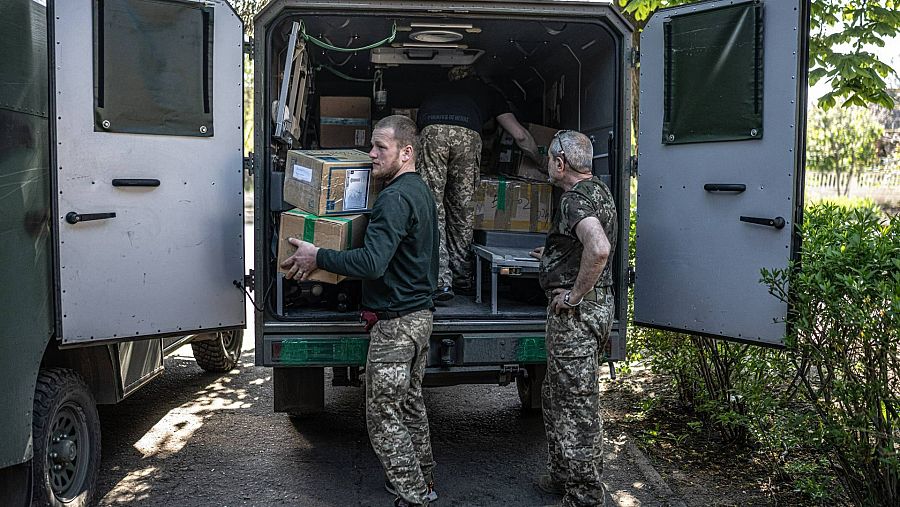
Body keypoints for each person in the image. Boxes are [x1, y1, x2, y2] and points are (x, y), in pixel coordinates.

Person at [280, 115, 439, 507]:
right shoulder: (419, 190)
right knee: (410, 405)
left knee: (383, 416)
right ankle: (424, 478)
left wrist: (318, 254)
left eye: (379, 148)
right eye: (371, 146)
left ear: (406, 152)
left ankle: (416, 495)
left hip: (397, 325)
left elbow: (372, 263)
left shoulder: (394, 198)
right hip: (420, 318)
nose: (371, 155)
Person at [529, 130, 617, 507]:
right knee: (555, 395)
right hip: (598, 307)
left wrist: (573, 295)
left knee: (576, 405)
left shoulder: (573, 201)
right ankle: (563, 475)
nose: (548, 165)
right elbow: (582, 246)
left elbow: (598, 248)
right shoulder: (599, 190)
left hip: (578, 314)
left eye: (549, 159)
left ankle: (584, 495)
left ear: (560, 163)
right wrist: (551, 256)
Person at [417, 65, 542, 301]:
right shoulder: (488, 91)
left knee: (432, 208)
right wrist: (540, 161)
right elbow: (520, 136)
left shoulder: (437, 90)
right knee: (462, 211)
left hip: (431, 132)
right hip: (468, 136)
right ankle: (462, 277)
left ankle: (440, 281)